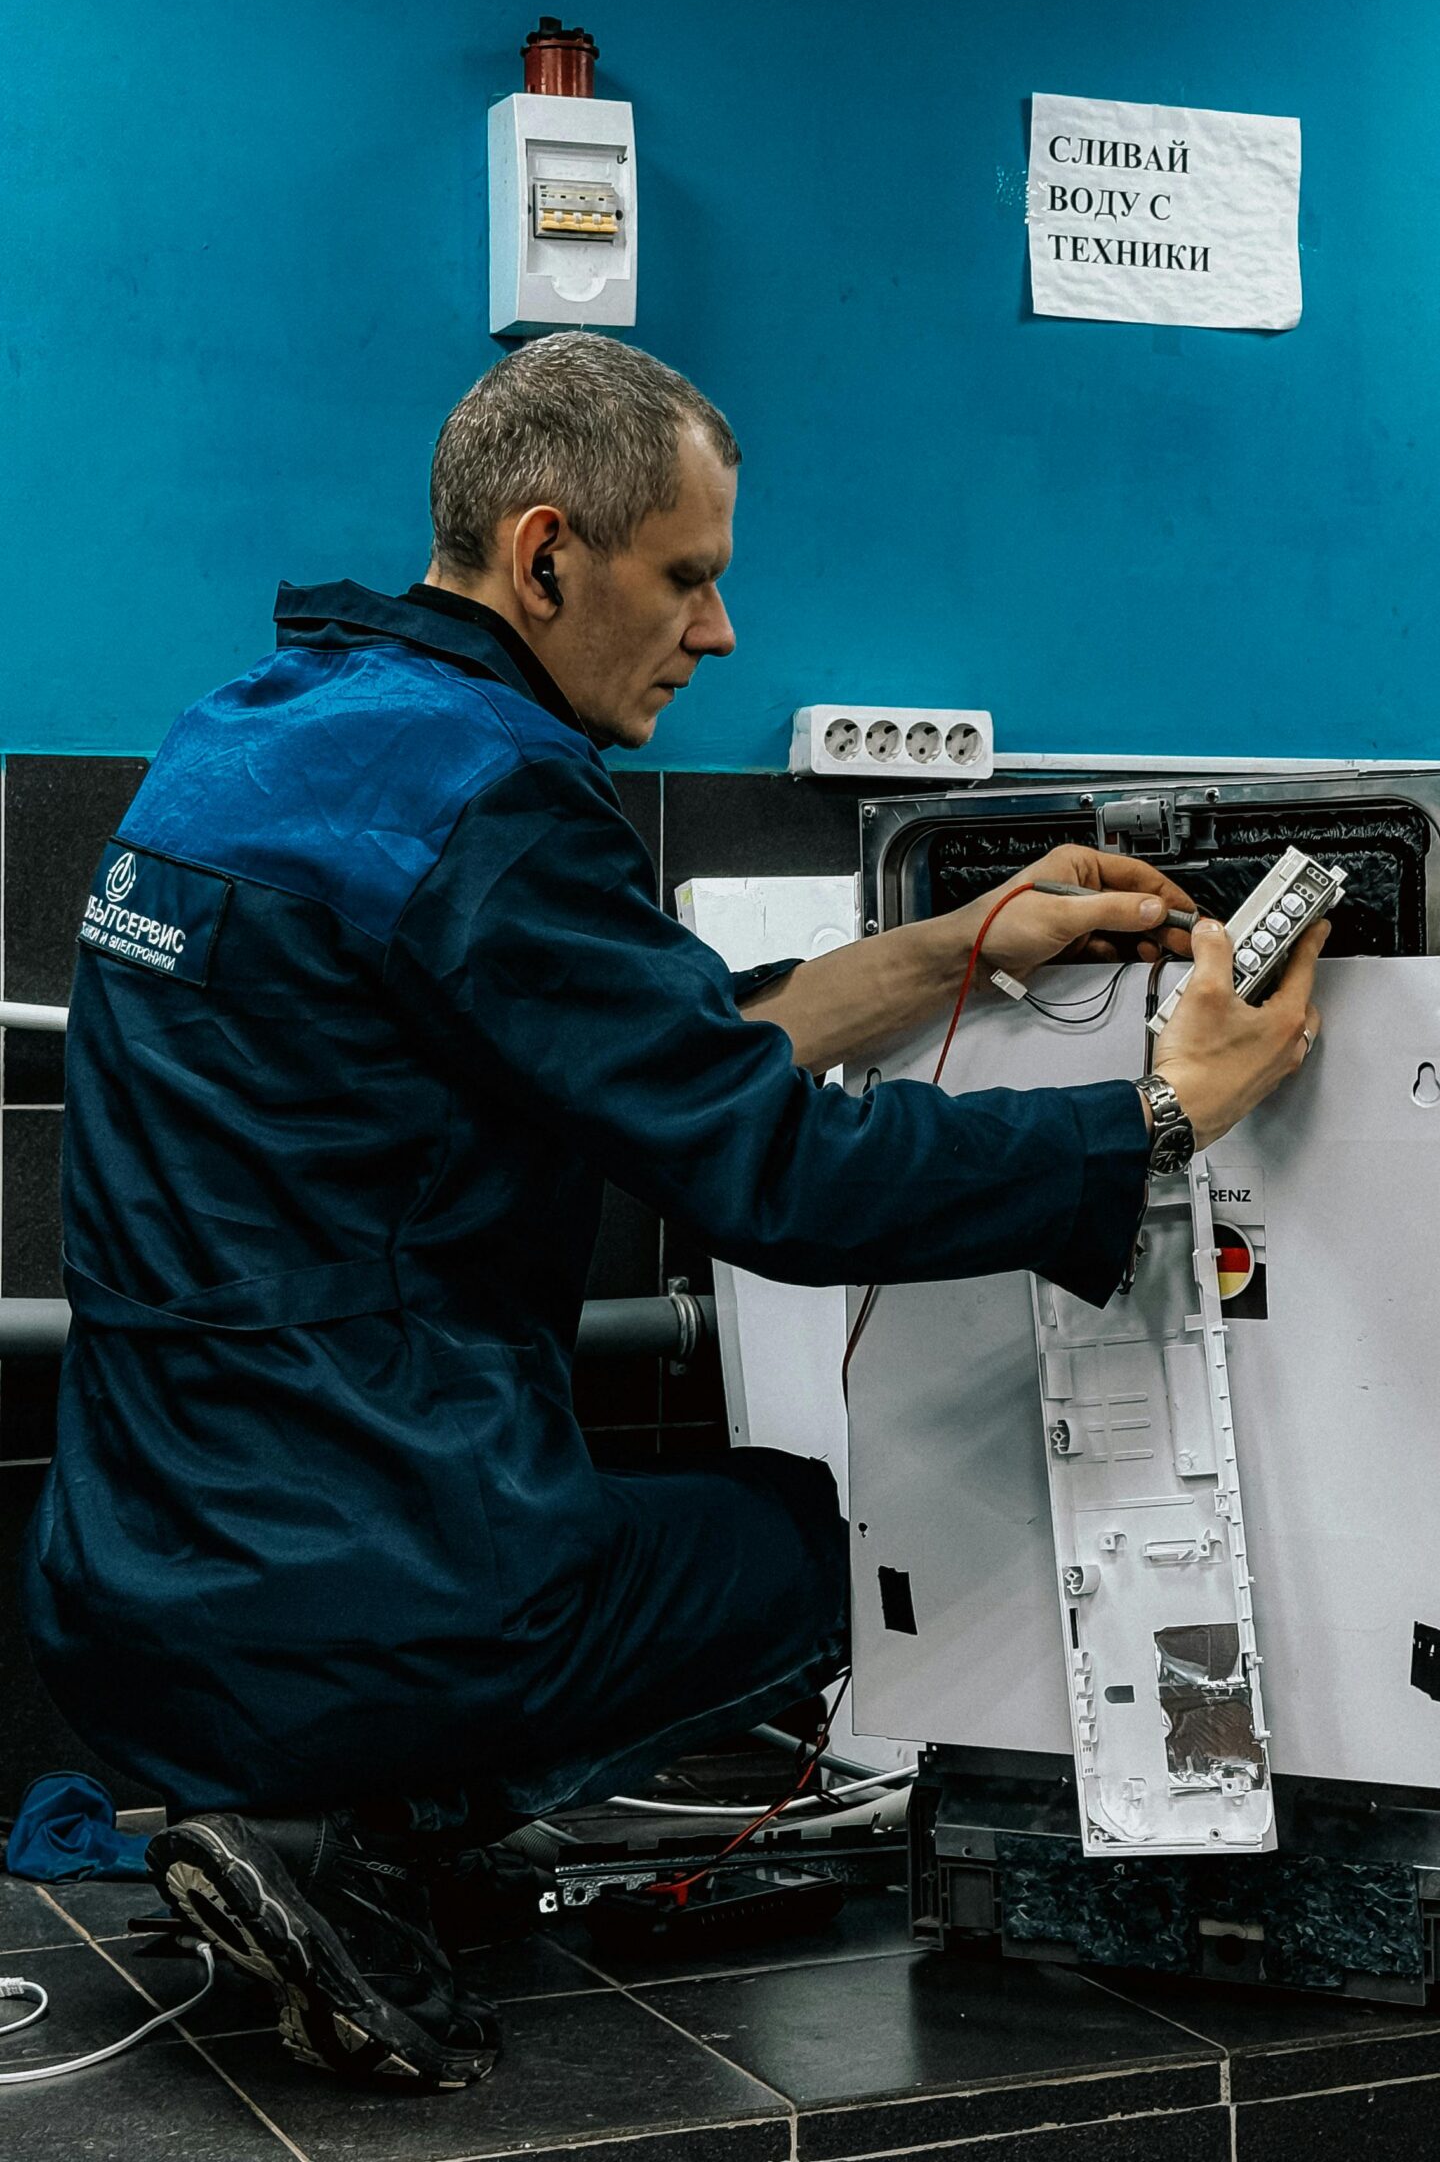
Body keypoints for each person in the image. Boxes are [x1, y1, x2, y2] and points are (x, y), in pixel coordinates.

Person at [22, 335, 1324, 2092]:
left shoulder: (257, 738)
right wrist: (1162, 1115)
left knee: (605, 1528)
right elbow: (767, 1172)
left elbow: (629, 1053)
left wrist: (956, 945)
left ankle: (320, 1822)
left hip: (124, 1591)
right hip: (366, 1588)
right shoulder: (493, 794)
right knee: (800, 1545)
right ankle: (346, 1830)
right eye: (691, 577)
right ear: (547, 554)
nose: (719, 633)